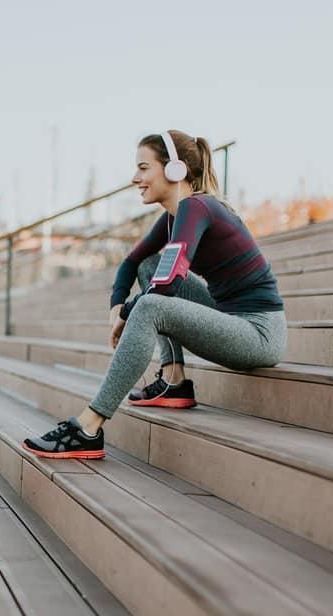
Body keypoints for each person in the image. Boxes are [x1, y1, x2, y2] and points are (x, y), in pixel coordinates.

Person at [24, 131, 286, 459]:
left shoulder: (197, 207)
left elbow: (169, 284)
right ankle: (174, 379)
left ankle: (88, 426)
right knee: (151, 265)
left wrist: (130, 311)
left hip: (259, 333)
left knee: (150, 304)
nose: (135, 178)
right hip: (228, 316)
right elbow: (133, 262)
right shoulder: (176, 216)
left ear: (175, 169)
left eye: (144, 168)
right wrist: (117, 305)